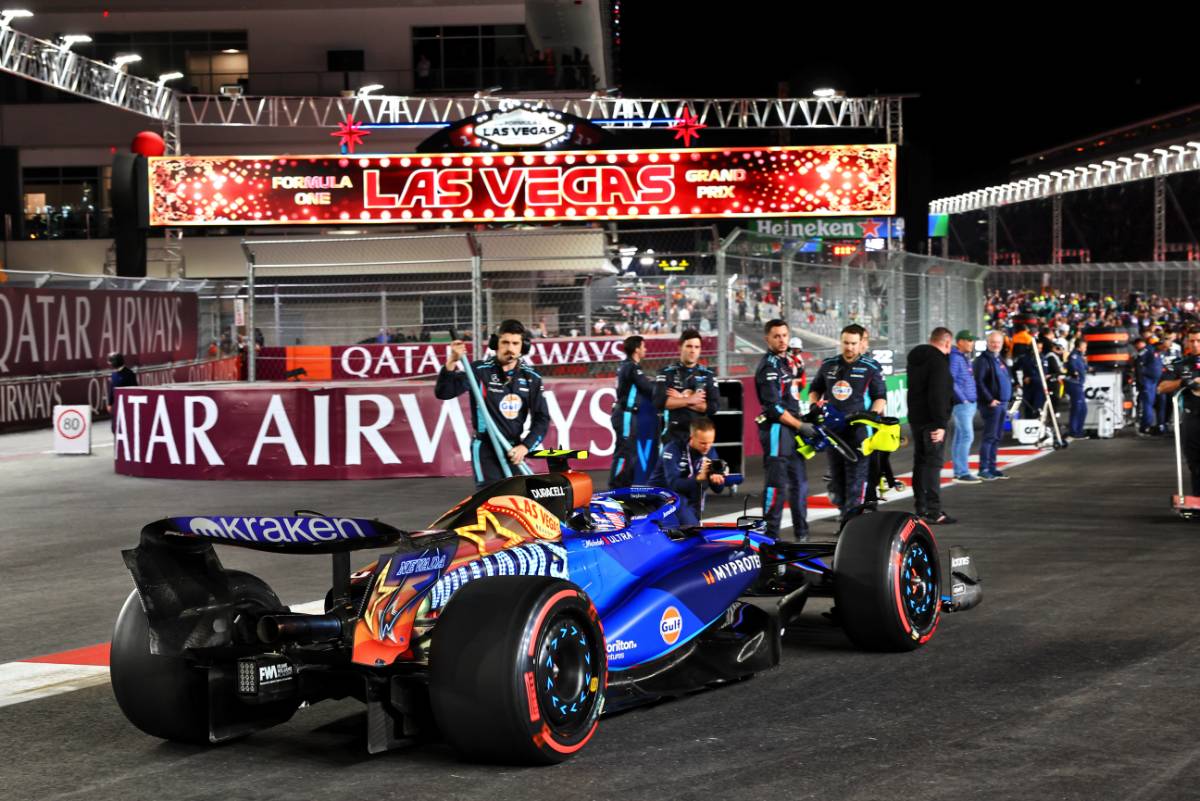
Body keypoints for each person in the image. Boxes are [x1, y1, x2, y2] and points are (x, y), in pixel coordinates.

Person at [436, 319, 550, 488]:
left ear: (523, 347)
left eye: (515, 343)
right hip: (485, 448)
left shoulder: (531, 377)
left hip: (514, 449)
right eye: (505, 342)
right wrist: (452, 361)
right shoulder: (480, 371)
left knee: (519, 500)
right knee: (492, 498)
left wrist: (525, 447)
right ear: (495, 343)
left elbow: (542, 419)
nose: (510, 348)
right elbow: (444, 392)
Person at [807, 324, 886, 523]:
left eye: (853, 343)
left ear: (861, 344)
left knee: (856, 482)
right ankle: (844, 513)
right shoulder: (828, 365)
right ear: (840, 342)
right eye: (845, 343)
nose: (849, 347)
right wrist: (814, 404)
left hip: (859, 432)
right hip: (832, 432)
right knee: (837, 479)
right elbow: (815, 389)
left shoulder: (871, 367)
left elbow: (880, 397)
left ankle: (850, 524)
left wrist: (873, 415)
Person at [754, 319, 809, 541]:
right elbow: (774, 408)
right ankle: (769, 538)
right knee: (776, 487)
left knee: (799, 484)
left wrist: (803, 420)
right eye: (776, 336)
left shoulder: (788, 362)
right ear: (767, 338)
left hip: (792, 429)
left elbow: (792, 397)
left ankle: (802, 535)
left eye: (784, 335)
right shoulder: (769, 366)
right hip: (778, 430)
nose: (781, 339)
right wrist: (801, 426)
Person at [907, 328, 956, 525]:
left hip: (916, 418)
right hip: (932, 421)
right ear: (947, 343)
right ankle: (933, 510)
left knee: (920, 463)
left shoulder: (916, 359)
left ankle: (921, 507)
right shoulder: (939, 363)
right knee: (933, 465)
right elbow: (938, 395)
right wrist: (940, 423)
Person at [648, 418, 726, 526]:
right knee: (690, 528)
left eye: (710, 442)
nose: (707, 447)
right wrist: (699, 478)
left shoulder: (710, 451)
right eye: (703, 443)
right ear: (692, 437)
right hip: (662, 494)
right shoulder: (672, 449)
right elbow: (674, 484)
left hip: (689, 497)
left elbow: (718, 489)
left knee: (694, 529)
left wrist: (717, 481)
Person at [653, 329, 719, 446]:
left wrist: (681, 397)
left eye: (696, 347)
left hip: (698, 440)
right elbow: (659, 402)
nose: (693, 351)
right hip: (672, 437)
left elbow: (713, 407)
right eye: (689, 346)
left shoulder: (708, 374)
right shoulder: (665, 372)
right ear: (680, 347)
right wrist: (691, 399)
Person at [1158, 328, 1200, 494]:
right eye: (1192, 341)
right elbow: (1161, 388)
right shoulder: (1180, 364)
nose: (1195, 344)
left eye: (1198, 340)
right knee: (1195, 463)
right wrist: (1183, 382)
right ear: (1186, 342)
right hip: (1193, 419)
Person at [609, 335, 654, 489]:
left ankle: (624, 487)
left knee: (628, 452)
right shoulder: (633, 367)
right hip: (626, 415)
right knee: (624, 452)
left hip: (624, 414)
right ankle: (614, 488)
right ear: (636, 349)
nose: (645, 349)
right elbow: (648, 388)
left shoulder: (625, 365)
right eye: (643, 346)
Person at [973, 330, 1013, 480]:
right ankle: (984, 468)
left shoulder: (999, 359)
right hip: (992, 404)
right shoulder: (982, 360)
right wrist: (990, 399)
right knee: (989, 436)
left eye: (998, 342)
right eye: (993, 342)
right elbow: (979, 382)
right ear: (988, 343)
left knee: (996, 436)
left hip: (1002, 403)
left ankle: (992, 467)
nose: (996, 345)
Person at [950, 330, 981, 483]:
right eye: (968, 340)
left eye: (972, 340)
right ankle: (962, 472)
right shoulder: (955, 358)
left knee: (960, 437)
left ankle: (958, 471)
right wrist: (963, 399)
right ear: (960, 342)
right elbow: (951, 380)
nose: (971, 343)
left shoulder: (962, 357)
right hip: (963, 404)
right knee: (967, 436)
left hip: (967, 403)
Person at [1138, 337, 1164, 434]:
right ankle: (1145, 426)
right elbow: (1138, 362)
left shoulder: (1157, 352)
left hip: (1155, 381)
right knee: (1148, 403)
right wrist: (1140, 378)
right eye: (1160, 343)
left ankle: (1153, 425)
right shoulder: (1147, 350)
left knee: (1152, 403)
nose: (1162, 345)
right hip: (1147, 381)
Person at [1064, 337, 1089, 438]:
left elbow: (1084, 367)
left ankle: (1078, 430)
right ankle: (1074, 431)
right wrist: (1075, 372)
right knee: (1077, 408)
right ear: (1080, 346)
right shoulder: (1074, 356)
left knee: (1083, 409)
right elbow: (1071, 365)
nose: (1086, 348)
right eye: (1085, 346)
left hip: (1078, 385)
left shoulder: (1080, 356)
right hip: (1074, 384)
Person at [107, 352, 138, 431]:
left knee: (126, 427)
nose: (110, 364)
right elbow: (112, 390)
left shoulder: (129, 374)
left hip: (126, 404)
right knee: (114, 428)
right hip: (116, 404)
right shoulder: (113, 374)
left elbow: (135, 389)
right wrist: (110, 403)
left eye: (111, 362)